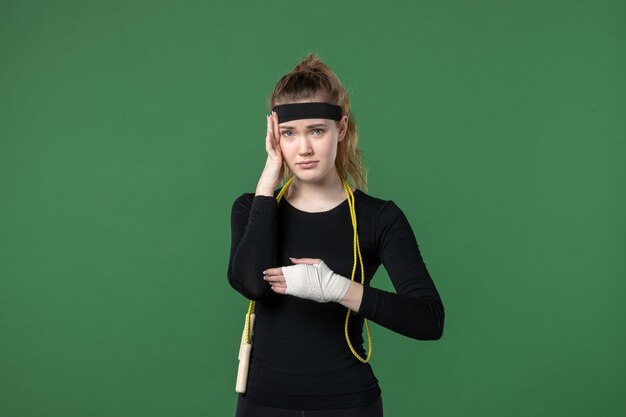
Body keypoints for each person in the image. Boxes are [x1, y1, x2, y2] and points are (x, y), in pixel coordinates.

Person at [227, 53, 445, 417]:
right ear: (273, 135)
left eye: (317, 130)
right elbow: (251, 284)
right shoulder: (253, 208)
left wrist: (337, 289)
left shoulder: (379, 217)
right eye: (289, 133)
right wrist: (268, 181)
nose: (304, 148)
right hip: (261, 404)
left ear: (341, 129)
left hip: (347, 404)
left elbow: (429, 319)